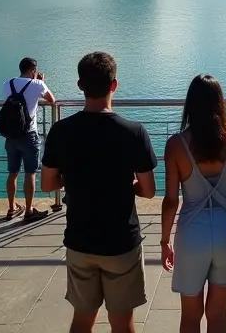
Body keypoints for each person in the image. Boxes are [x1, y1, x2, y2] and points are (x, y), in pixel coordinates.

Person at [40, 52, 157, 333]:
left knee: (82, 319)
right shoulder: (134, 132)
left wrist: (73, 180)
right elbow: (149, 190)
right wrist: (127, 184)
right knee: (122, 322)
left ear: (80, 85)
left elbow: (47, 184)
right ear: (114, 85)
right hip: (121, 242)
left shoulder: (61, 131)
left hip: (80, 241)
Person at [159, 75, 226, 333]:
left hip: (191, 233)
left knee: (190, 316)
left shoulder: (176, 145)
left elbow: (170, 201)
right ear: (220, 103)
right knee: (217, 315)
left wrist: (165, 241)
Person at [0, 57, 55, 222]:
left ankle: (11, 208)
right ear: (33, 71)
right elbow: (52, 100)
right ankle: (29, 211)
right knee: (30, 173)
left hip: (11, 135)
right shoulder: (37, 84)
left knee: (13, 173)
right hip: (29, 134)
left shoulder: (7, 84)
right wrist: (41, 82)